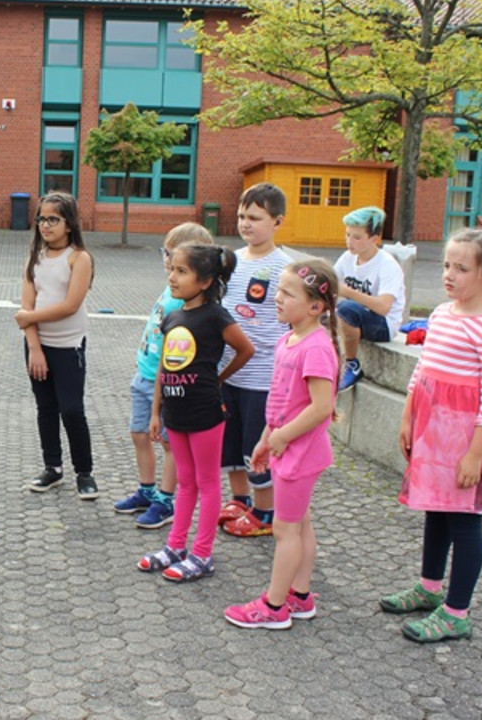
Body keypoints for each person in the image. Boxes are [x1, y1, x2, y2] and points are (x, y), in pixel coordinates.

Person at [381, 229, 482, 643]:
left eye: (462, 268)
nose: (449, 275)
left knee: (464, 522)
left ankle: (457, 612)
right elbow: (421, 374)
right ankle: (429, 587)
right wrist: (407, 419)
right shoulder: (439, 314)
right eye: (447, 266)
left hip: (463, 441)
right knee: (435, 510)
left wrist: (475, 455)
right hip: (431, 433)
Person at [224, 258, 341, 629]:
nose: (277, 298)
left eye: (287, 293)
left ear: (316, 307)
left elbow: (322, 407)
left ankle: (274, 606)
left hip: (301, 453)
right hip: (286, 448)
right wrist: (265, 440)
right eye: (279, 290)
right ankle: (300, 596)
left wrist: (282, 437)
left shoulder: (317, 348)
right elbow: (280, 401)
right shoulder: (288, 339)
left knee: (285, 530)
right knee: (301, 524)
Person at [139, 244, 255, 582]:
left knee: (206, 483)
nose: (172, 277)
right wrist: (156, 412)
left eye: (181, 271)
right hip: (175, 412)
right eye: (172, 269)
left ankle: (202, 554)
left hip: (205, 412)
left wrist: (218, 379)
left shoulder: (216, 315)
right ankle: (176, 545)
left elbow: (246, 348)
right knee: (185, 482)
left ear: (204, 281)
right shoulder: (173, 315)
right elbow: (165, 366)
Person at [114, 223, 214, 529]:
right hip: (143, 375)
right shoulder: (170, 288)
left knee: (171, 443)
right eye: (165, 252)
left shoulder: (187, 300)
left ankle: (166, 499)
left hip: (167, 383)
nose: (166, 260)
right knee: (139, 434)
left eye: (171, 254)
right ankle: (146, 490)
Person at [219, 183, 294, 538]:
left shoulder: (287, 267)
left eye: (254, 217)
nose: (245, 224)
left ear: (277, 221)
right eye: (240, 216)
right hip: (226, 373)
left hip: (264, 379)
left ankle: (265, 513)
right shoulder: (228, 261)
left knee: (256, 448)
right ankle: (239, 499)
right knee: (230, 444)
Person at [15, 192, 98, 499]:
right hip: (39, 346)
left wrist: (27, 317)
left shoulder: (79, 258)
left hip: (69, 347)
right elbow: (27, 304)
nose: (45, 225)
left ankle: (84, 473)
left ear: (69, 223)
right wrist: (34, 347)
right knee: (46, 408)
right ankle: (53, 468)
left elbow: (70, 306)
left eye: (53, 219)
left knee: (72, 410)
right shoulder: (34, 260)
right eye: (41, 219)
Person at [334, 206, 406, 390]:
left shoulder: (387, 264)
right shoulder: (347, 257)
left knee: (346, 309)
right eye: (348, 235)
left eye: (357, 237)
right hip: (358, 316)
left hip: (383, 325)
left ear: (374, 239)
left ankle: (352, 364)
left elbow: (383, 307)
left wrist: (349, 292)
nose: (350, 242)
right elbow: (331, 284)